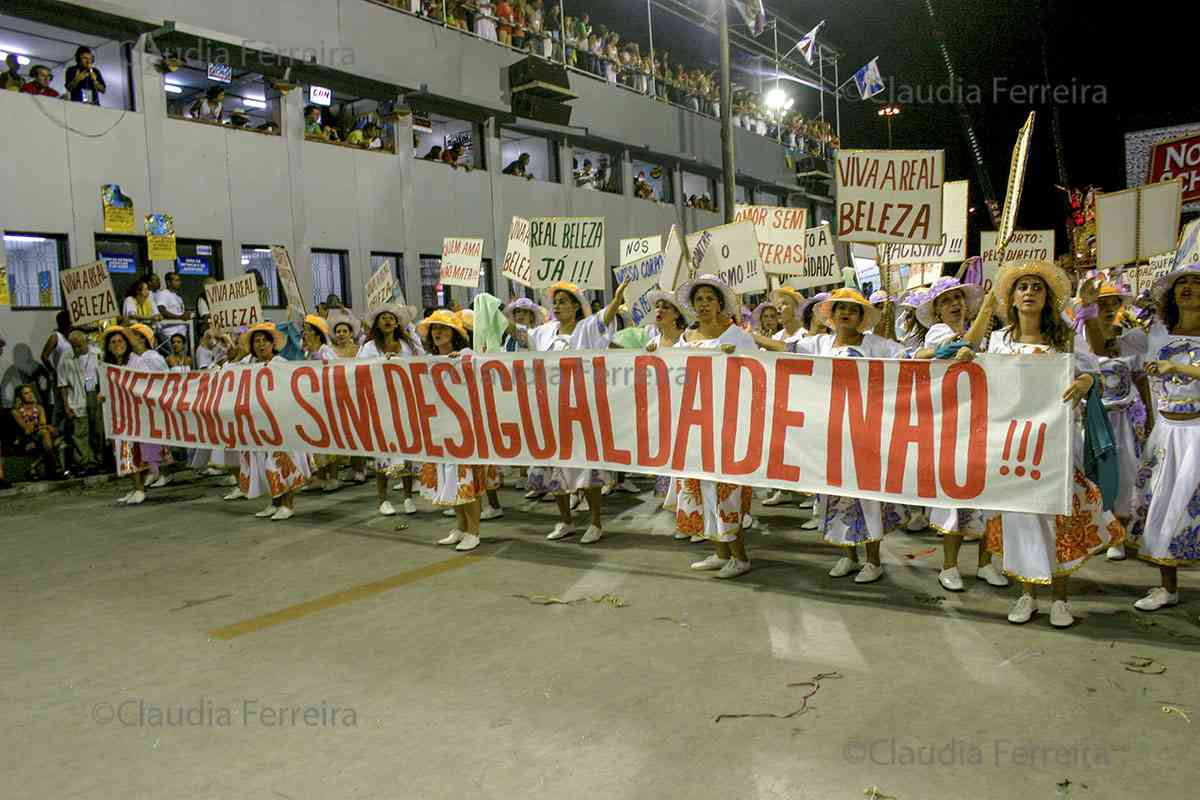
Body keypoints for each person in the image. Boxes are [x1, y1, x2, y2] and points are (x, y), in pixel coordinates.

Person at [961, 262, 1122, 627]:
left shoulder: (1064, 337)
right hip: (1012, 444)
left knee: (1055, 518)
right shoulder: (999, 340)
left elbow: (1091, 374)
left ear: (1047, 297)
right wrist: (984, 312)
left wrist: (1084, 384)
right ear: (1012, 298)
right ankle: (1027, 594)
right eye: (1022, 287)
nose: (1029, 292)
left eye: (1037, 287)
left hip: (1055, 443)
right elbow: (968, 356)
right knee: (1019, 518)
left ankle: (1061, 600)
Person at [791, 289, 907, 582]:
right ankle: (849, 555)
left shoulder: (878, 346)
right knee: (838, 496)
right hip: (831, 435)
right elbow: (780, 350)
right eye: (841, 308)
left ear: (861, 318)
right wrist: (741, 345)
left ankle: (874, 561)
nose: (846, 314)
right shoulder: (817, 344)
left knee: (868, 497)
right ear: (831, 315)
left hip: (866, 434)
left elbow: (912, 359)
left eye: (853, 310)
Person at [510, 279, 630, 542]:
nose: (557, 305)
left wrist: (617, 298)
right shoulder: (544, 331)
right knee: (555, 467)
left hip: (581, 409)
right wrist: (495, 313)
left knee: (585, 466)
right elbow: (520, 335)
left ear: (576, 306)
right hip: (551, 410)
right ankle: (565, 521)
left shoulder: (586, 329)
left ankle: (595, 522)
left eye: (564, 301)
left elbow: (604, 317)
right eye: (556, 301)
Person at [911, 277, 1009, 591]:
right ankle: (949, 567)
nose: (955, 305)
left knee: (988, 498)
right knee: (953, 497)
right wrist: (988, 308)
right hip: (953, 426)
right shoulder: (939, 334)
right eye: (947, 301)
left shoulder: (992, 332)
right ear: (937, 311)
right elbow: (966, 344)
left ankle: (985, 564)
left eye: (958, 299)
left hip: (986, 421)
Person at [663, 275, 756, 577]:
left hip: (726, 424)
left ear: (720, 304)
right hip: (694, 426)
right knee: (703, 490)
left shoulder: (737, 336)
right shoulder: (685, 339)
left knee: (726, 491)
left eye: (709, 299)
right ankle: (719, 552)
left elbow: (757, 374)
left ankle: (740, 557)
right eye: (698, 299)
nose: (703, 304)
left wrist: (736, 360)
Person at [1127, 264, 1200, 614]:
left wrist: (1179, 368)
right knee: (1161, 505)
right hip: (1166, 433)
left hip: (1198, 433)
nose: (1187, 288)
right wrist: (1093, 311)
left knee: (1193, 510)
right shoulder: (1156, 333)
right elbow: (1106, 346)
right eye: (1181, 283)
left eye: (1196, 283)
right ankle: (1166, 587)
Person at [1072, 282, 1153, 561]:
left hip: (1125, 420)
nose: (1108, 308)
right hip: (1091, 418)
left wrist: (1149, 419)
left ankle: (1120, 532)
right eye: (1102, 303)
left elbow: (1141, 382)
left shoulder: (1133, 338)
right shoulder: (1080, 337)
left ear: (1121, 306)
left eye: (1113, 303)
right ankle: (1097, 529)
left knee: (1127, 473)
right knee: (1092, 473)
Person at [412, 310, 492, 551]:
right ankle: (460, 527)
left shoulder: (466, 355)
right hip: (441, 431)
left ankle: (474, 531)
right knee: (449, 481)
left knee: (467, 482)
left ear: (455, 334)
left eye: (443, 329)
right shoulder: (428, 359)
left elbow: (481, 374)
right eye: (435, 328)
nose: (438, 333)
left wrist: (464, 363)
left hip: (465, 431)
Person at [237, 323, 311, 519]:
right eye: (257, 342)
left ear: (272, 344)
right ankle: (275, 502)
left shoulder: (281, 363)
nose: (261, 345)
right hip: (259, 423)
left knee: (282, 462)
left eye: (264, 341)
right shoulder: (249, 366)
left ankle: (288, 504)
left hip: (281, 423)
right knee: (264, 462)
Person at [358, 303, 423, 515]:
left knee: (407, 450)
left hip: (405, 404)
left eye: (391, 318)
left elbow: (424, 365)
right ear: (377, 323)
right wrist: (378, 364)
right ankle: (383, 499)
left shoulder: (409, 346)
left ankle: (407, 497)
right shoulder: (368, 348)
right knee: (381, 452)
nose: (387, 321)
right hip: (380, 405)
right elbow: (357, 372)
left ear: (397, 323)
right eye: (383, 317)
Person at [56, 330, 103, 475]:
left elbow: (104, 375)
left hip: (94, 393)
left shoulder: (97, 353)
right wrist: (66, 405)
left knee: (97, 429)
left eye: (79, 346)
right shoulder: (66, 357)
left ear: (86, 342)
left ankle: (99, 460)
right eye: (73, 346)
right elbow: (62, 384)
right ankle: (87, 462)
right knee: (81, 432)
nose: (77, 349)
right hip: (76, 396)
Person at [11, 384, 62, 480]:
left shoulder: (39, 408)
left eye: (31, 392)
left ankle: (37, 467)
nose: (30, 395)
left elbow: (42, 424)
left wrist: (43, 426)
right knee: (49, 438)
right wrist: (41, 425)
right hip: (25, 439)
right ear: (20, 397)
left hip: (39, 436)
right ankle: (56, 467)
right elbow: (26, 429)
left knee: (47, 434)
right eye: (26, 393)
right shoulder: (16, 411)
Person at [155, 271, 190, 346]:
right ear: (168, 282)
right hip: (170, 334)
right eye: (176, 280)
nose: (179, 282)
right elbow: (161, 310)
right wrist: (179, 317)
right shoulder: (163, 294)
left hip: (182, 334)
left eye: (179, 280)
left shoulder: (178, 297)